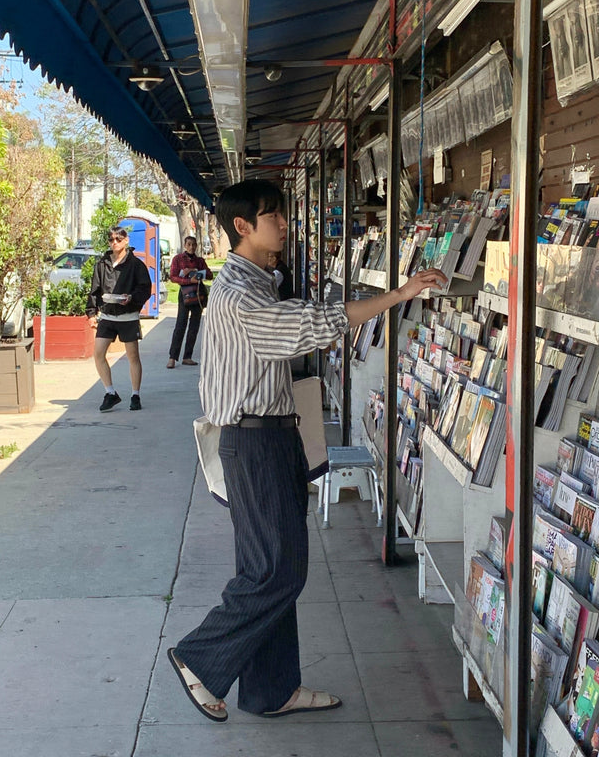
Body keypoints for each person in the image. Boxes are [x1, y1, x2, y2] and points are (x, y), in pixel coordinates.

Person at [167, 179, 447, 722]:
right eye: (274, 216)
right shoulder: (240, 291)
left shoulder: (257, 281)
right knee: (278, 571)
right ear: (242, 226)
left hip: (265, 433)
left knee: (271, 565)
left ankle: (273, 690)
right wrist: (397, 295)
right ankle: (200, 656)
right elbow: (304, 329)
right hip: (254, 439)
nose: (285, 225)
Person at [86, 225, 152, 412]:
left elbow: (145, 288)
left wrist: (131, 298)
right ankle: (110, 392)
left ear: (126, 240)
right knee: (98, 354)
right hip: (107, 316)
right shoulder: (102, 264)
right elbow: (94, 290)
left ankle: (135, 395)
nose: (114, 242)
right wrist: (91, 313)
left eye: (118, 239)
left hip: (128, 316)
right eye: (111, 239)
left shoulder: (135, 264)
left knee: (132, 356)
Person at [166, 236, 213, 368]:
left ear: (197, 246)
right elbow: (173, 277)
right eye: (189, 244)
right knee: (180, 325)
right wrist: (186, 277)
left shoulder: (200, 261)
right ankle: (172, 357)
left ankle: (188, 356)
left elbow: (209, 275)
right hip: (185, 294)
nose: (191, 247)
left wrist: (198, 273)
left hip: (198, 295)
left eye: (194, 244)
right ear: (185, 245)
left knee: (194, 327)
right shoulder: (178, 259)